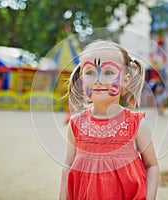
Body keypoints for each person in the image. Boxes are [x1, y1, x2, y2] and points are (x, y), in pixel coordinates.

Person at [59, 40, 159, 200]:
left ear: (125, 80)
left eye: (108, 72)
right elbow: (67, 167)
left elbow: (151, 166)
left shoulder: (136, 124)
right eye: (90, 72)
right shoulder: (76, 125)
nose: (98, 79)